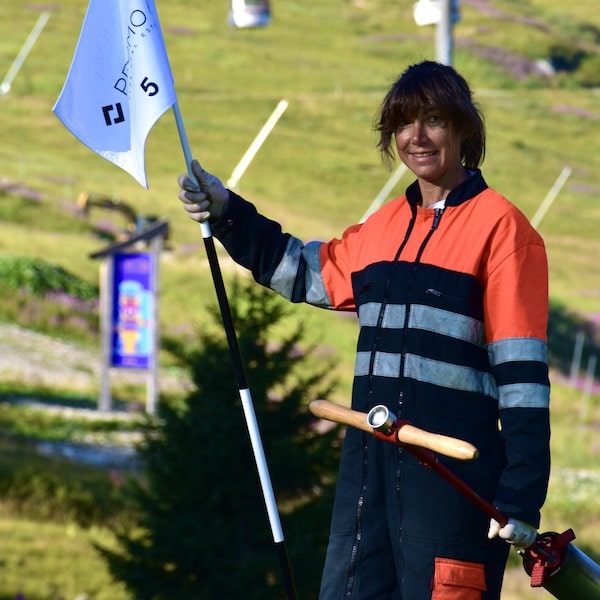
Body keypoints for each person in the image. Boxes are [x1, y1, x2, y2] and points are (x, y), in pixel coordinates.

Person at [177, 60, 551, 600]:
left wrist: (520, 495)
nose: (416, 137)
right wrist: (227, 211)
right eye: (403, 124)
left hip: (453, 485)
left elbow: (522, 381)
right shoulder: (383, 227)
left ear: (464, 128)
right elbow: (306, 271)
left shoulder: (505, 230)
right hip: (367, 475)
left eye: (433, 120)